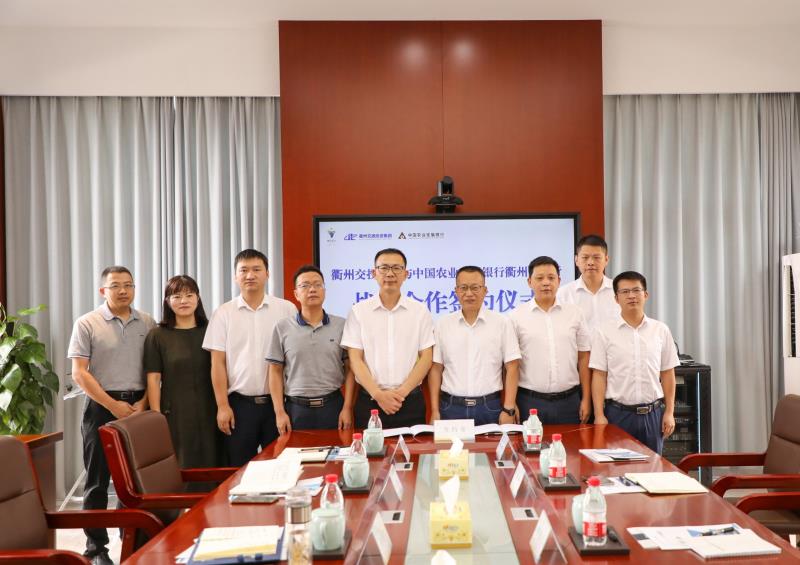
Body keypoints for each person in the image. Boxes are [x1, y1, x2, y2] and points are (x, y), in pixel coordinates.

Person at [68, 266, 156, 565]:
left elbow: (153, 369)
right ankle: (96, 549)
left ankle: (131, 540)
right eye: (116, 285)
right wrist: (112, 405)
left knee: (133, 480)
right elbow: (79, 373)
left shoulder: (147, 321)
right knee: (97, 480)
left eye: (129, 285)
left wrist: (144, 402)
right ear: (102, 290)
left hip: (138, 406)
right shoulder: (87, 323)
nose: (123, 291)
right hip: (100, 406)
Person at [202, 249, 297, 467]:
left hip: (278, 405)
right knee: (239, 469)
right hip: (239, 406)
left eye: (256, 269)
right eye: (243, 270)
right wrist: (222, 406)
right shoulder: (223, 313)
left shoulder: (286, 309)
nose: (250, 275)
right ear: (235, 276)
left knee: (280, 467)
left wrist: (282, 409)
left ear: (267, 274)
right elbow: (217, 363)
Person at [341, 248, 435, 429]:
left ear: (406, 274)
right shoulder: (359, 311)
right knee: (370, 448)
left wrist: (401, 393)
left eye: (397, 268)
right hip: (370, 402)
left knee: (413, 448)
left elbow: (426, 357)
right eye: (384, 268)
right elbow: (355, 359)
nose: (390, 274)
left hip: (410, 401)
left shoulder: (420, 311)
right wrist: (378, 394)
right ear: (374, 273)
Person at [144, 275, 224, 483]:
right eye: (176, 296)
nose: (183, 301)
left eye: (189, 295)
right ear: (167, 301)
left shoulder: (212, 330)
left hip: (212, 408)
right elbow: (153, 379)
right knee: (182, 464)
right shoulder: (157, 336)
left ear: (198, 298)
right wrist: (156, 417)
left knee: (215, 461)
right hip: (175, 412)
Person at [589, 271, 678, 454]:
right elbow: (599, 375)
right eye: (625, 292)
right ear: (616, 299)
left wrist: (669, 412)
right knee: (617, 467)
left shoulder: (660, 330)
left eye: (636, 290)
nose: (631, 296)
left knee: (652, 467)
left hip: (653, 415)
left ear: (646, 295)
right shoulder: (604, 332)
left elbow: (668, 373)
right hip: (618, 415)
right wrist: (599, 415)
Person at [428, 266, 521, 425]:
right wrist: (435, 410)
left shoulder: (502, 323)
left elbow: (512, 366)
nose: (469, 293)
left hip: (489, 407)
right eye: (463, 288)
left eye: (475, 288)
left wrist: (509, 408)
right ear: (456, 291)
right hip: (451, 407)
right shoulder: (443, 324)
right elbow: (436, 368)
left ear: (485, 290)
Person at [267, 265, 355, 432]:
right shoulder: (282, 327)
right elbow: (275, 371)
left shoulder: (341, 325)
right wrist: (279, 412)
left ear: (324, 291)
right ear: (296, 294)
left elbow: (350, 369)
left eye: (317, 284)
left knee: (336, 450)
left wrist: (347, 408)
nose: (312, 289)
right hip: (295, 409)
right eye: (305, 285)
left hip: (333, 407)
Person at [510, 256, 592, 425]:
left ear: (559, 281)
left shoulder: (575, 313)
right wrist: (510, 404)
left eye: (551, 278)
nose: (546, 283)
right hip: (529, 402)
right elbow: (512, 364)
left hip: (570, 402)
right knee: (530, 443)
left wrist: (586, 399)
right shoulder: (516, 316)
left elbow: (584, 357)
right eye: (539, 278)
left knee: (571, 443)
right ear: (529, 282)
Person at [557, 234, 620, 335]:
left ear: (606, 260)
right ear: (576, 260)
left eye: (596, 257)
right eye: (585, 257)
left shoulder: (619, 290)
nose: (590, 262)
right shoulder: (564, 294)